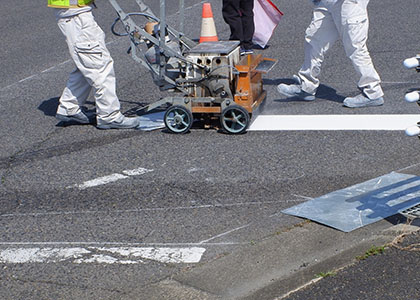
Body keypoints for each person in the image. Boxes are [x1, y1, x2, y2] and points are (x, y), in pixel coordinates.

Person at [48, 0, 141, 129]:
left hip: (73, 14)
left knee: (87, 63)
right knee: (100, 67)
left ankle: (69, 108)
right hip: (76, 16)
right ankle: (109, 116)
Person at [277, 0, 384, 108]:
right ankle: (307, 86)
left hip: (348, 3)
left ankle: (372, 92)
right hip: (328, 2)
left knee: (355, 47)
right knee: (313, 40)